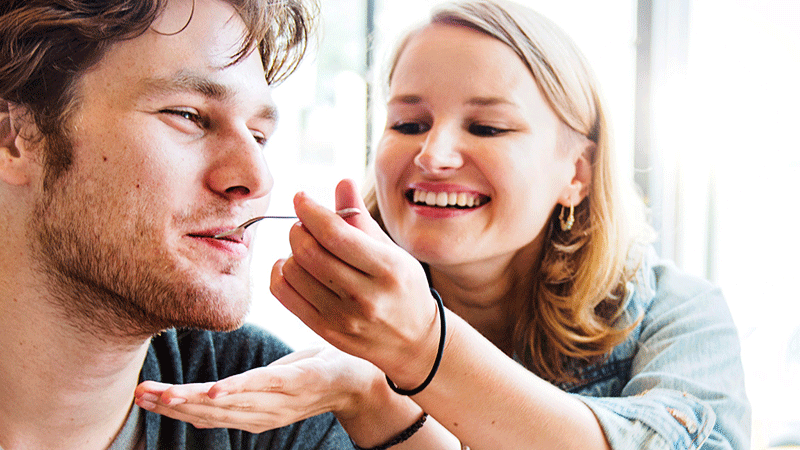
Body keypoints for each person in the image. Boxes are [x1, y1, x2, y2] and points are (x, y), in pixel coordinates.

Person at [137, 1, 751, 449]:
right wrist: (367, 394)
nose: (432, 156)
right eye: (408, 124)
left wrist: (420, 349)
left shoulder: (677, 317)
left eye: (487, 128)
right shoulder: (333, 340)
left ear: (577, 173)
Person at [0, 0, 365, 448]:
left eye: (258, 136)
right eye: (188, 115)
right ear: (14, 138)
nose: (256, 177)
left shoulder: (265, 404)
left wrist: (387, 387)